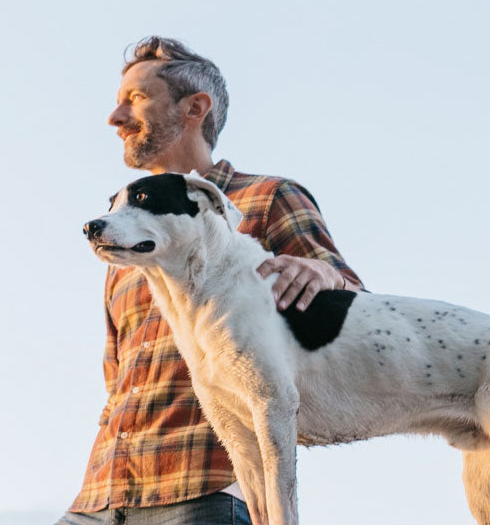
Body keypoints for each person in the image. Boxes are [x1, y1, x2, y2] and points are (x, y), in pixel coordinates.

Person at [58, 37, 364, 525]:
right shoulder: (125, 242)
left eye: (135, 98)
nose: (114, 117)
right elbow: (118, 381)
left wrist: (325, 273)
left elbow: (350, 296)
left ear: (195, 107)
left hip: (204, 493)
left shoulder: (265, 198)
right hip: (99, 499)